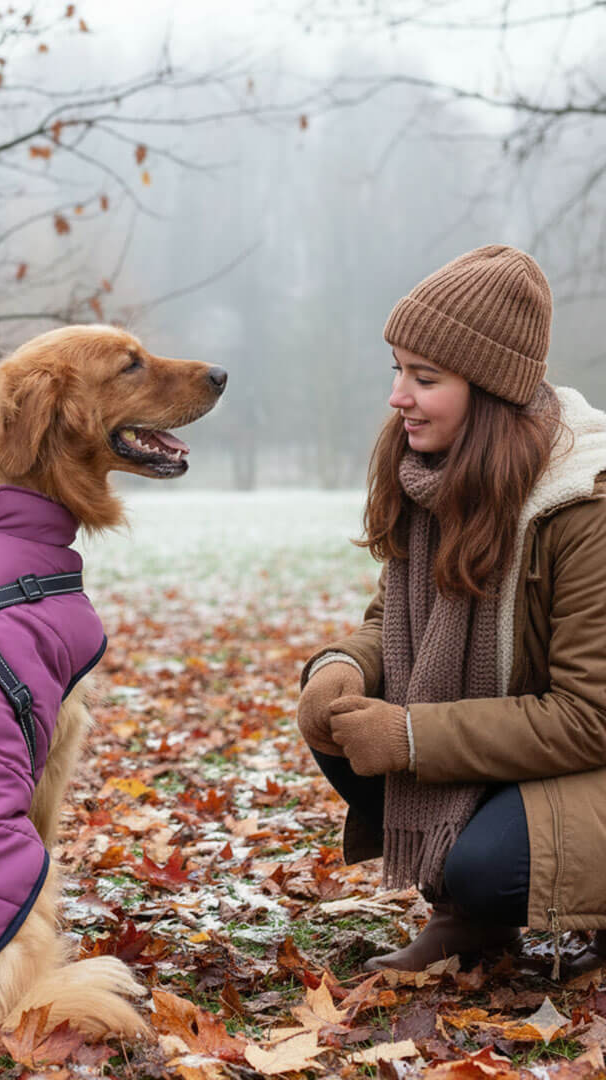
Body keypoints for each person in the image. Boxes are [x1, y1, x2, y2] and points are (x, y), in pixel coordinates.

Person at [296, 245, 606, 976]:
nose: (397, 396)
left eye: (425, 378)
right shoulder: (437, 475)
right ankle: (469, 923)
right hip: (532, 752)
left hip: (593, 756)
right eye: (397, 370)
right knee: (340, 720)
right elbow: (392, 622)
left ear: (489, 390)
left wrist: (410, 736)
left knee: (489, 867)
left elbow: (592, 716)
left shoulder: (582, 505)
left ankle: (518, 899)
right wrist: (342, 667)